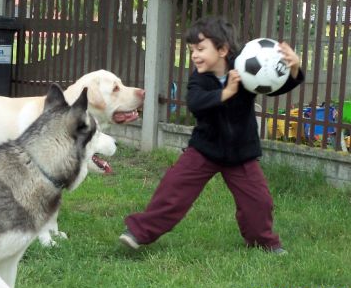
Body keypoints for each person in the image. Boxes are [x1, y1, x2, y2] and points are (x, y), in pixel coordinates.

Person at [120, 16, 304, 254]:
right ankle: (139, 231)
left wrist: (295, 68)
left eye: (200, 49)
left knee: (259, 202)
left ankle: (263, 242)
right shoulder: (199, 77)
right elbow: (195, 103)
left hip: (241, 152)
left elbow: (273, 84)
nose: (194, 55)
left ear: (222, 49)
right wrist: (224, 93)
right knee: (173, 190)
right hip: (204, 149)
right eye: (191, 50)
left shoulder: (246, 68)